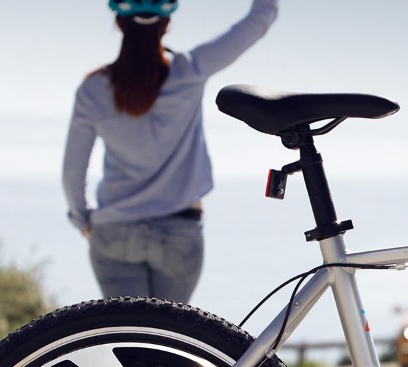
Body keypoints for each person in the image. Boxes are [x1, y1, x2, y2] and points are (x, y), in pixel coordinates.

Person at [63, 0, 279, 303]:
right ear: (168, 24)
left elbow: (73, 169)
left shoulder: (93, 89)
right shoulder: (190, 70)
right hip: (179, 233)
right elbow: (258, 22)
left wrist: (82, 219)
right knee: (169, 342)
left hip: (113, 232)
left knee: (128, 337)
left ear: (119, 22)